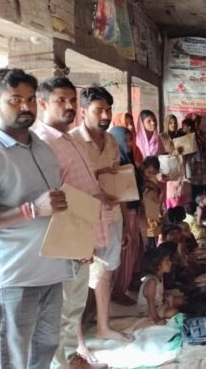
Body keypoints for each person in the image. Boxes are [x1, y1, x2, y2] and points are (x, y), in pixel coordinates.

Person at [0, 69, 74, 368]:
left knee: (45, 348)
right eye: (15, 100)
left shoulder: (43, 148)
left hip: (52, 270)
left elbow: (54, 205)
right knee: (12, 357)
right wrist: (31, 210)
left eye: (30, 99)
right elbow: (39, 208)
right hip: (14, 275)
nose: (25, 106)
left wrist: (74, 244)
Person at [35, 77, 115, 367]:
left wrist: (100, 195)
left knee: (73, 309)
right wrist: (75, 243)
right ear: (42, 104)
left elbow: (78, 184)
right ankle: (61, 363)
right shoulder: (42, 144)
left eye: (72, 100)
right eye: (61, 100)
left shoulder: (69, 139)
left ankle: (71, 360)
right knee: (61, 311)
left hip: (83, 237)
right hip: (66, 241)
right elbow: (51, 198)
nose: (69, 106)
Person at [70, 86, 134, 344]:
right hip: (83, 219)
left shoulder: (111, 142)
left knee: (106, 273)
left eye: (108, 109)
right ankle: (78, 344)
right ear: (83, 111)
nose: (106, 115)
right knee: (77, 282)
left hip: (111, 217)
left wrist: (126, 223)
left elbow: (117, 184)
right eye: (99, 110)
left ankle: (103, 327)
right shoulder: (72, 142)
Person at [109, 126, 144, 308]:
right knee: (126, 253)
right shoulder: (118, 164)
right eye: (126, 140)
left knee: (133, 251)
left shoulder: (129, 161)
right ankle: (118, 291)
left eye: (131, 140)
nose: (130, 144)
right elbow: (121, 193)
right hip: (126, 212)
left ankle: (128, 282)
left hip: (134, 210)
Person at [138, 247, 183, 325]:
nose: (170, 263)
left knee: (181, 300)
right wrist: (156, 319)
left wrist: (166, 298)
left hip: (159, 304)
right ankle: (159, 315)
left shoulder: (160, 276)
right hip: (149, 311)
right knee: (174, 312)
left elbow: (160, 293)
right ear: (158, 266)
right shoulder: (152, 282)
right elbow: (150, 303)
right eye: (166, 261)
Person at [141, 156, 163, 250]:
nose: (151, 175)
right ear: (143, 168)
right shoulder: (143, 183)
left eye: (154, 173)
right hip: (147, 218)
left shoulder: (154, 183)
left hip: (153, 217)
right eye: (149, 172)